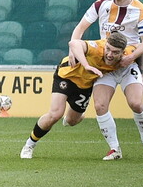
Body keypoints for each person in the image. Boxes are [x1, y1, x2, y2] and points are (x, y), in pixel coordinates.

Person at [67, 0, 143, 160]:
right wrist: (72, 50)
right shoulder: (100, 5)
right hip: (105, 65)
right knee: (100, 105)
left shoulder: (141, 10)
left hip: (128, 65)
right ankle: (115, 149)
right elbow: (80, 28)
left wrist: (131, 57)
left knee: (136, 103)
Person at [20, 32, 131, 160]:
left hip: (85, 86)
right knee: (55, 113)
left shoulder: (127, 56)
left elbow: (141, 47)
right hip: (66, 76)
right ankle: (29, 145)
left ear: (122, 52)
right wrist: (86, 65)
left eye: (115, 52)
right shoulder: (97, 47)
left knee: (72, 121)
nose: (110, 54)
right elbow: (73, 43)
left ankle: (78, 114)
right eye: (108, 49)